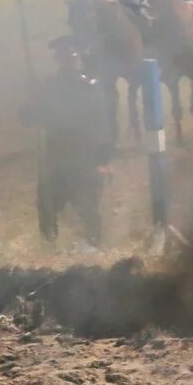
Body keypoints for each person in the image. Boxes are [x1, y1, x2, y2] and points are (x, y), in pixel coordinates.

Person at [30, 34, 112, 248]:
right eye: (65, 57)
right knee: (47, 204)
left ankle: (95, 247)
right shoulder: (47, 87)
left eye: (73, 57)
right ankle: (49, 246)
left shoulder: (91, 88)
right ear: (58, 60)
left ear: (80, 59)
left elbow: (103, 125)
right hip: (55, 158)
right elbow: (29, 118)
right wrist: (31, 97)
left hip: (84, 158)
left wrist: (103, 161)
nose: (70, 62)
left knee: (88, 209)